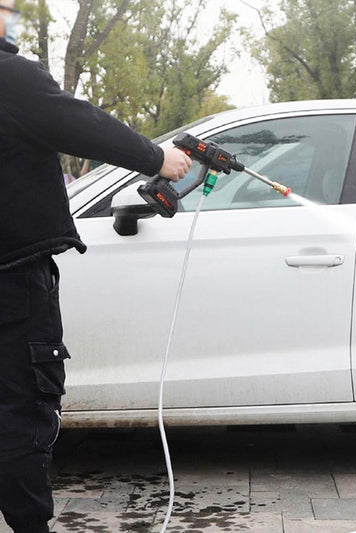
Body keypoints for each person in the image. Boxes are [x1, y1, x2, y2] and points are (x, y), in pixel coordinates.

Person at [0, 2, 192, 531]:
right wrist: (158, 159)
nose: (11, 18)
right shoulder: (9, 77)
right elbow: (78, 123)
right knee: (20, 414)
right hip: (11, 279)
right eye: (4, 9)